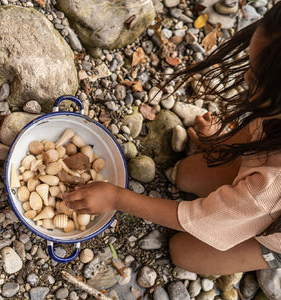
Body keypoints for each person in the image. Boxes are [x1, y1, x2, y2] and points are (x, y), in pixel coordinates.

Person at [63, 2, 281, 275]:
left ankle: (265, 251)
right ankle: (240, 175)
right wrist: (221, 142)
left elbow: (206, 219)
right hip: (270, 157)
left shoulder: (267, 192)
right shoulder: (275, 112)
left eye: (257, 77)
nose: (246, 77)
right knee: (186, 174)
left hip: (276, 232)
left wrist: (118, 198)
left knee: (182, 252)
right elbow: (262, 128)